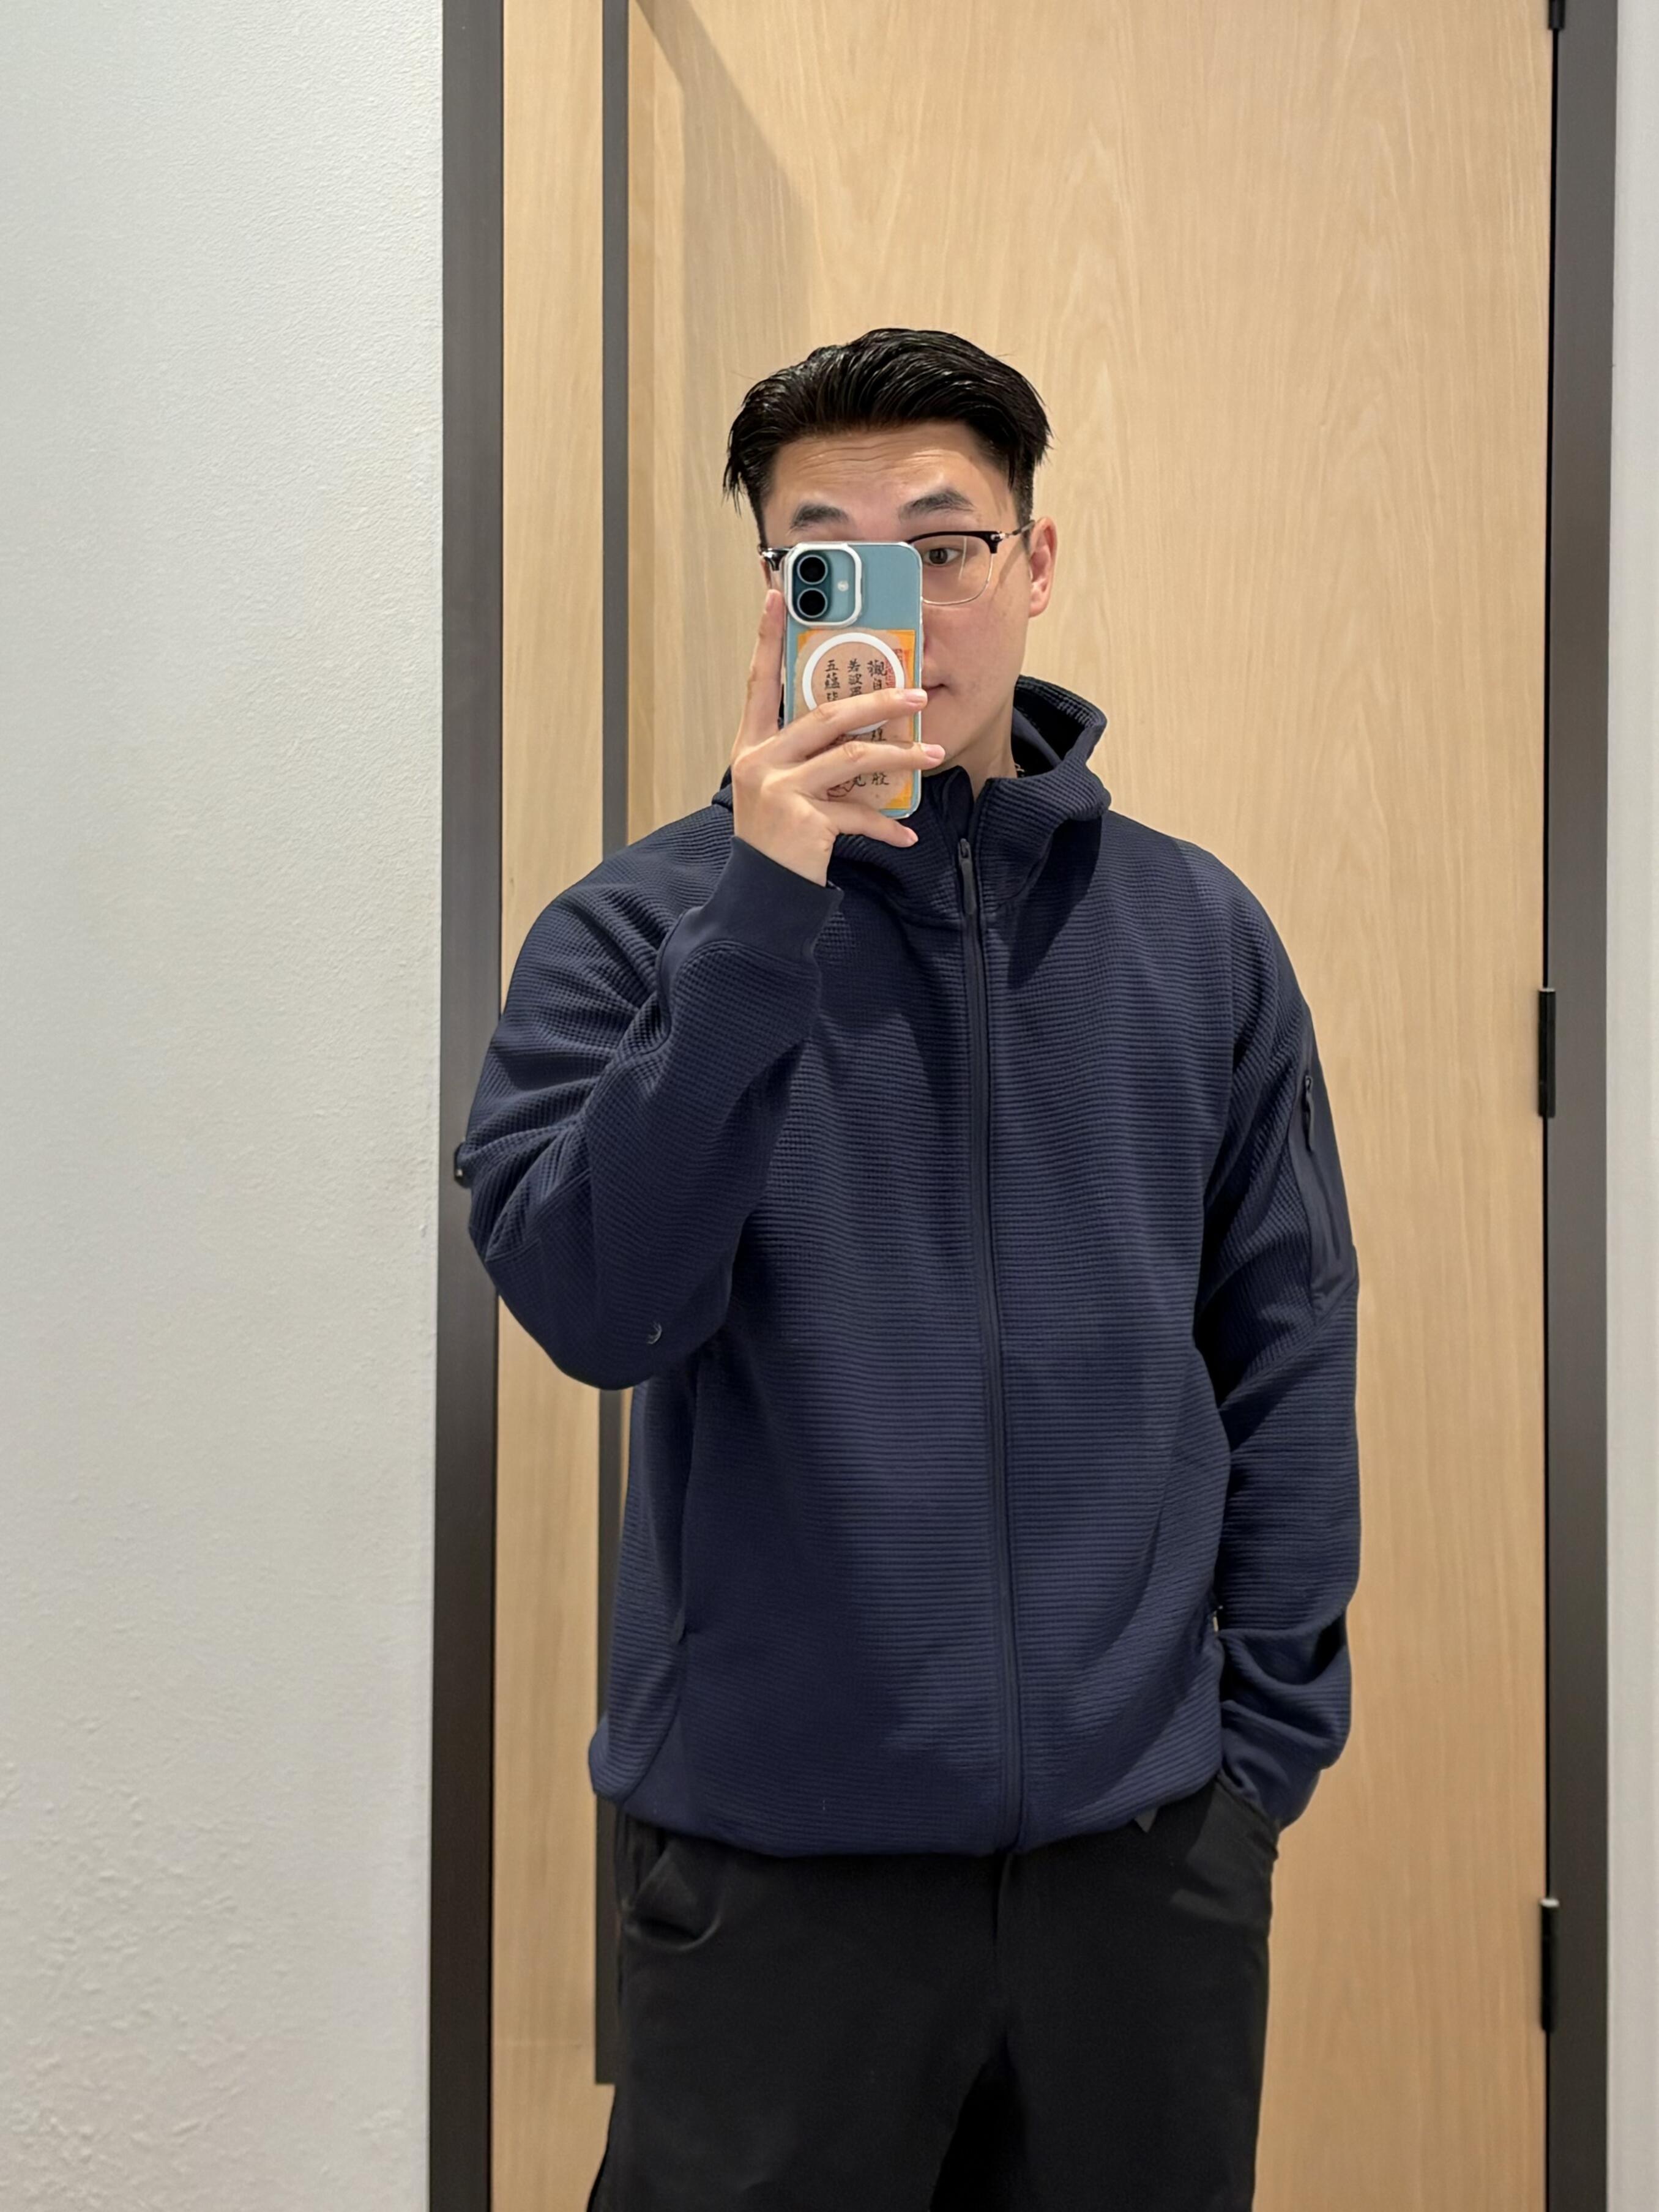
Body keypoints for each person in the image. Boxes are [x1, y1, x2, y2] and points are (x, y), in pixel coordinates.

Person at [457, 326, 1361, 2211]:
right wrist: (760, 916)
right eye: (832, 562)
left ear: (1036, 565)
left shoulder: (1197, 935)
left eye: (946, 548)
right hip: (776, 1885)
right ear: (776, 598)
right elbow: (601, 1309)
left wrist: (1258, 1757)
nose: (905, 610)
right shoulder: (635, 934)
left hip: (1143, 1875)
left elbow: (1283, 1345)